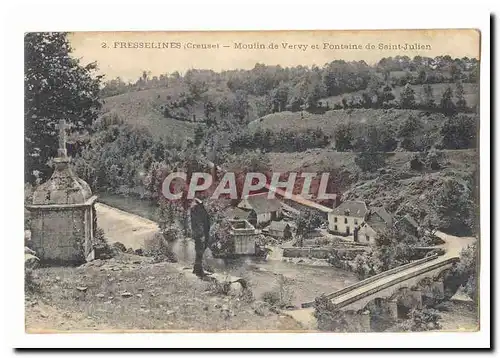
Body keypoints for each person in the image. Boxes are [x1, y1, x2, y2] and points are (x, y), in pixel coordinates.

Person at [189, 198, 211, 277]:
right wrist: (201, 234)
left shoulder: (199, 205)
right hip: (200, 233)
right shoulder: (196, 206)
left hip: (203, 232)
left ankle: (197, 268)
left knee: (200, 250)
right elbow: (197, 222)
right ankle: (199, 271)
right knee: (199, 251)